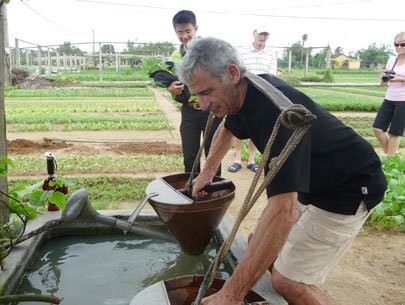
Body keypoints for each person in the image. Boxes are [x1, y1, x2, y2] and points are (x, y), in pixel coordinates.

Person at [177, 37, 387, 305]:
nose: (203, 104)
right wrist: (206, 173)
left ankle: (294, 291)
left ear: (231, 73)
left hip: (348, 186)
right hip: (315, 179)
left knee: (289, 281)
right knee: (256, 240)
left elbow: (284, 212)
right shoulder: (243, 92)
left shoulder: (278, 113)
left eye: (206, 92)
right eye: (197, 96)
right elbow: (228, 127)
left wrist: (230, 294)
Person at [166, 10, 222, 175]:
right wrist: (170, 89)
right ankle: (192, 192)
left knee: (213, 155)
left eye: (188, 31)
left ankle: (214, 191)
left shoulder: (208, 51)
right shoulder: (175, 56)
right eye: (180, 32)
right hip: (189, 110)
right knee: (190, 157)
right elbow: (171, 81)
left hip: (211, 110)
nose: (184, 36)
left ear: (196, 28)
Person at [228, 25, 277, 173]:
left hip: (262, 96)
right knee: (239, 125)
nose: (262, 37)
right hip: (243, 94)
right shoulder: (242, 51)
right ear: (254, 33)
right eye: (260, 34)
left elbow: (272, 75)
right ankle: (237, 159)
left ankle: (251, 160)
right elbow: (237, 72)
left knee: (255, 128)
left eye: (265, 35)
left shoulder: (271, 53)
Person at [372, 31, 405, 156]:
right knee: (377, 128)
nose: (399, 47)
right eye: (396, 45)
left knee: (394, 133)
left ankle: (390, 160)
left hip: (403, 100)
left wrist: (399, 78)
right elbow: (384, 83)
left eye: (402, 44)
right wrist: (384, 77)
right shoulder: (392, 60)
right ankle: (391, 156)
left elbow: (398, 78)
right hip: (390, 97)